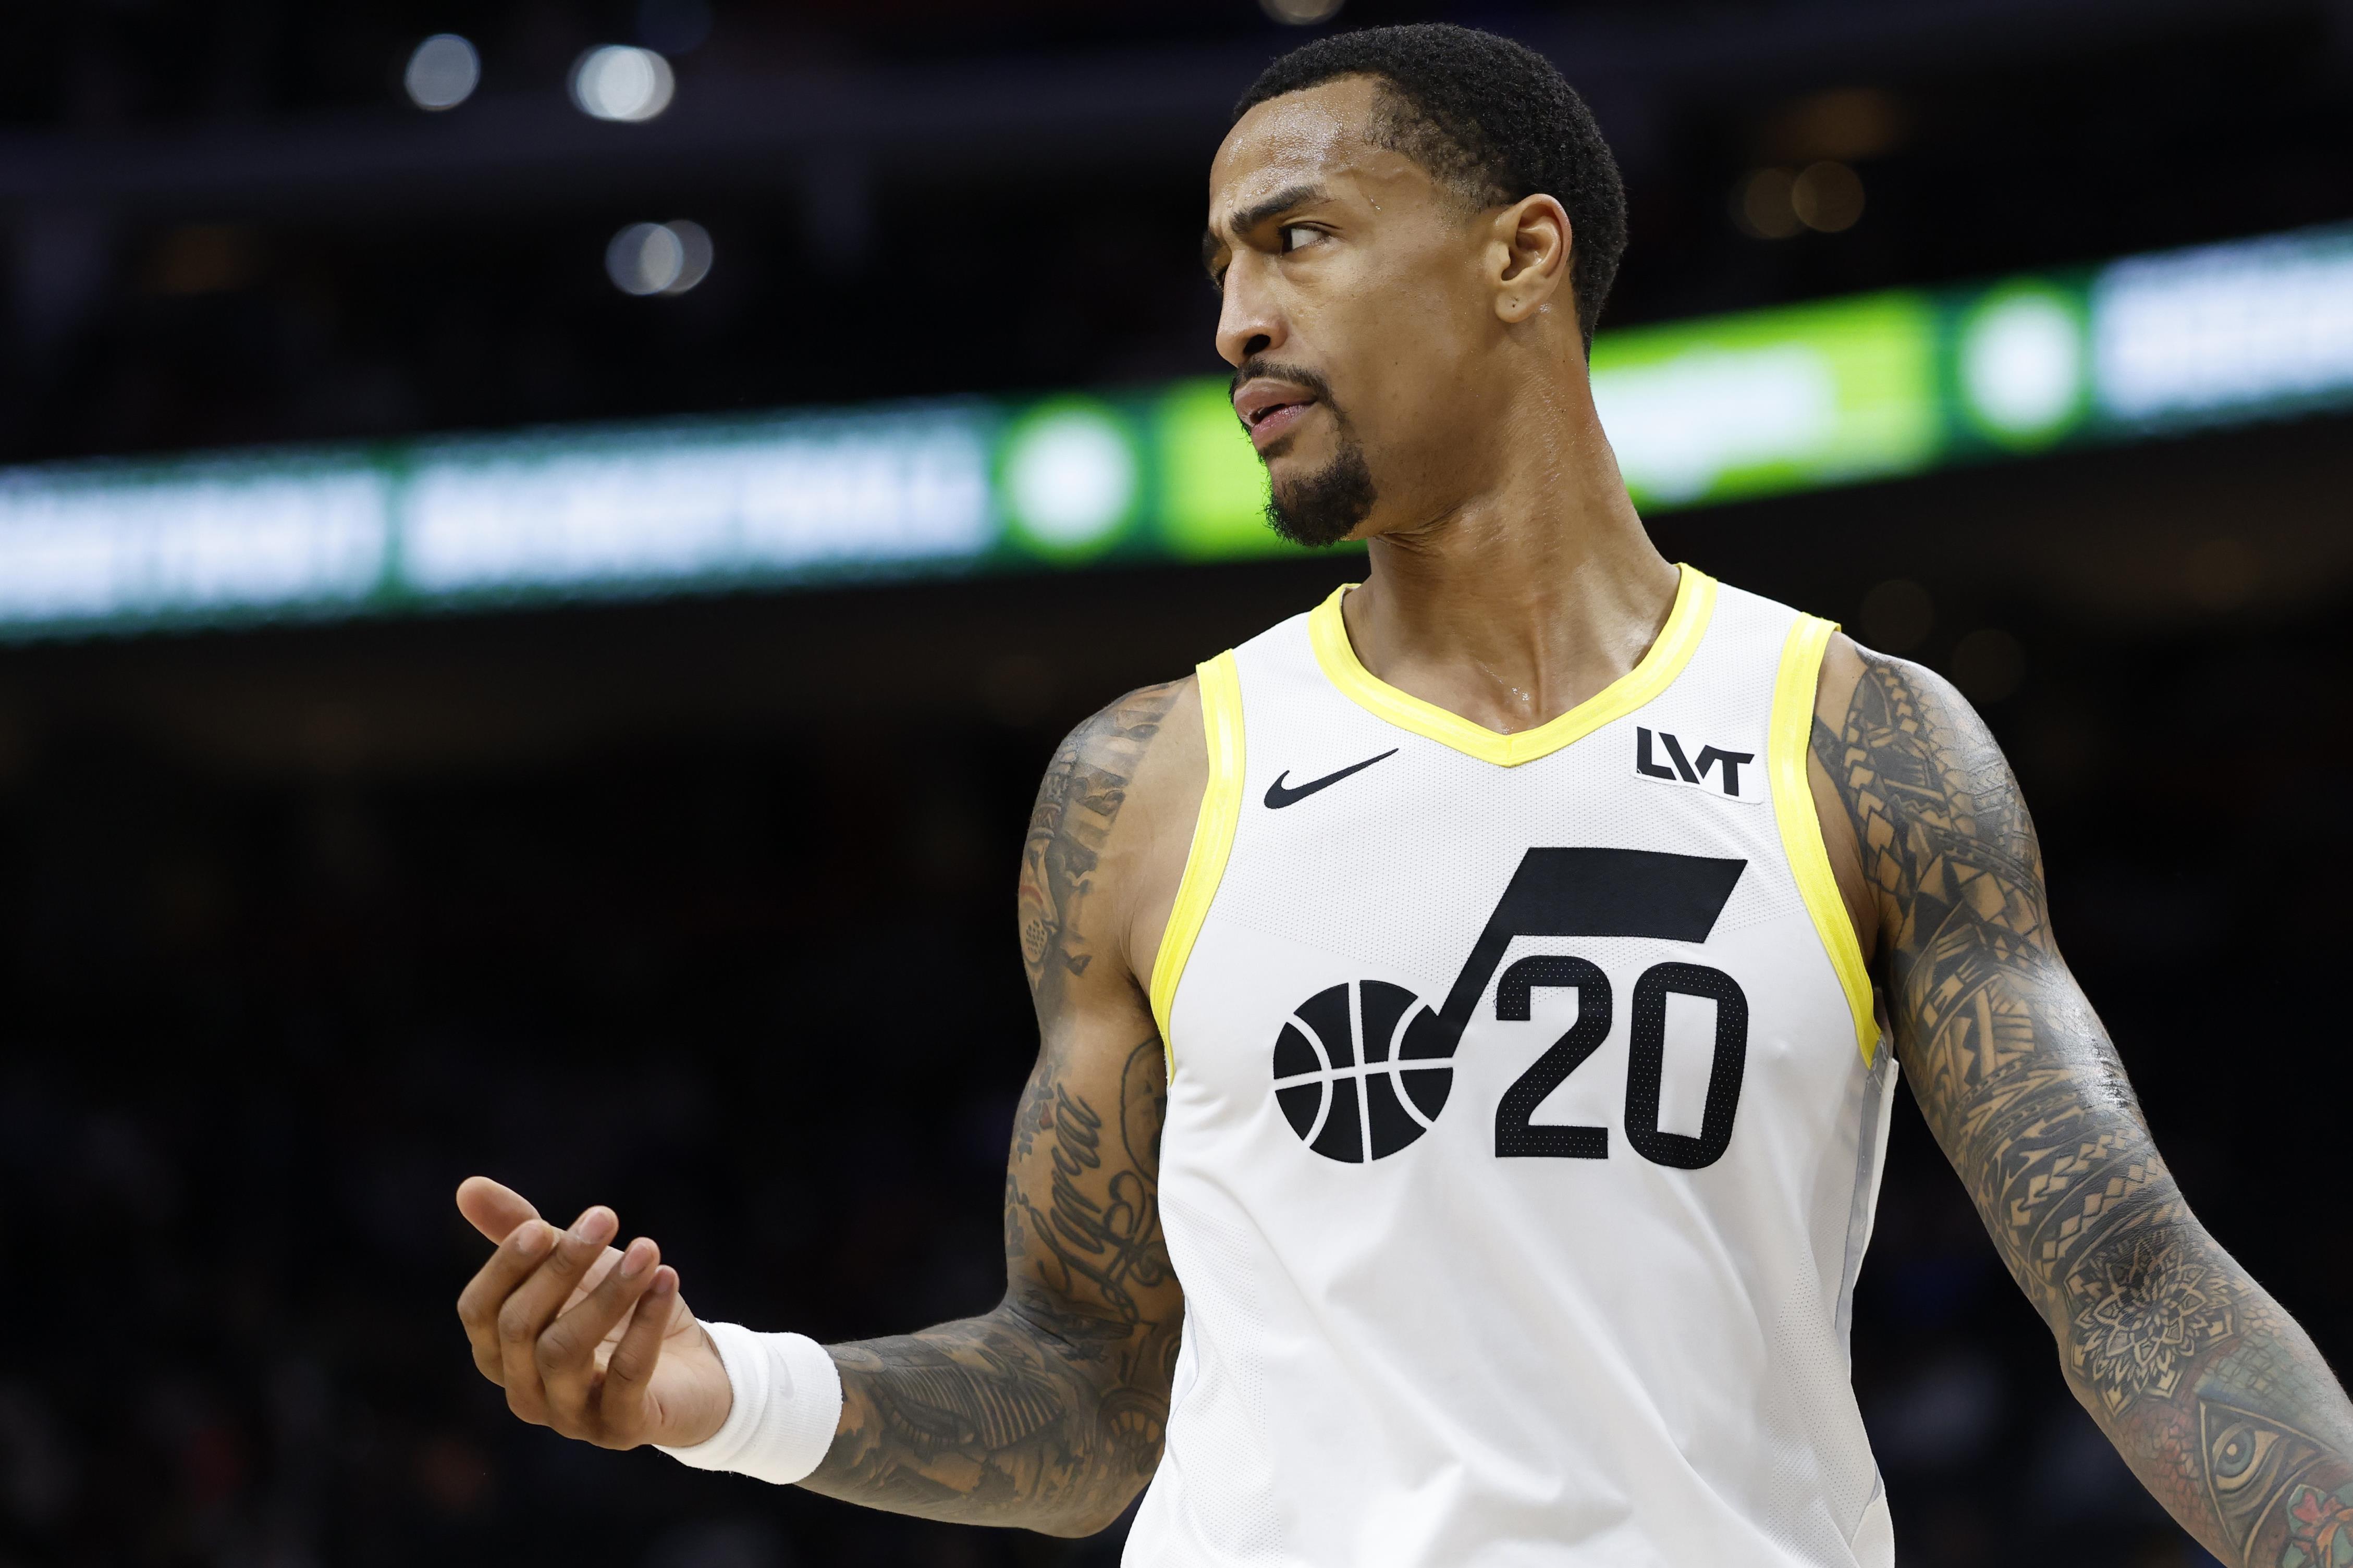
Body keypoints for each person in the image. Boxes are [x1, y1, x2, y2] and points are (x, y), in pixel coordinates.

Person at [452, 23, 2353, 1565]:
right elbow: (1088, 1392)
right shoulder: (1145, 781)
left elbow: (2126, 1279)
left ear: (1521, 255)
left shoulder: (1857, 740)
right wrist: (723, 1392)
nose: (1233, 322)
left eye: (1297, 239)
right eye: (1219, 265)